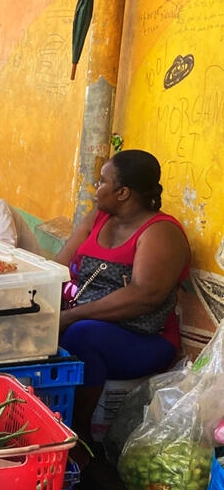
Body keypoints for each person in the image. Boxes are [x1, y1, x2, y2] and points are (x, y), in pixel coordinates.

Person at [54, 149, 189, 467]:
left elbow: (144, 295)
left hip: (145, 340)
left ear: (123, 192)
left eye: (102, 181)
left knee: (81, 335)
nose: (95, 188)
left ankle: (80, 436)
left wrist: (71, 315)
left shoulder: (160, 232)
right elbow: (59, 265)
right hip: (83, 322)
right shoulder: (98, 217)